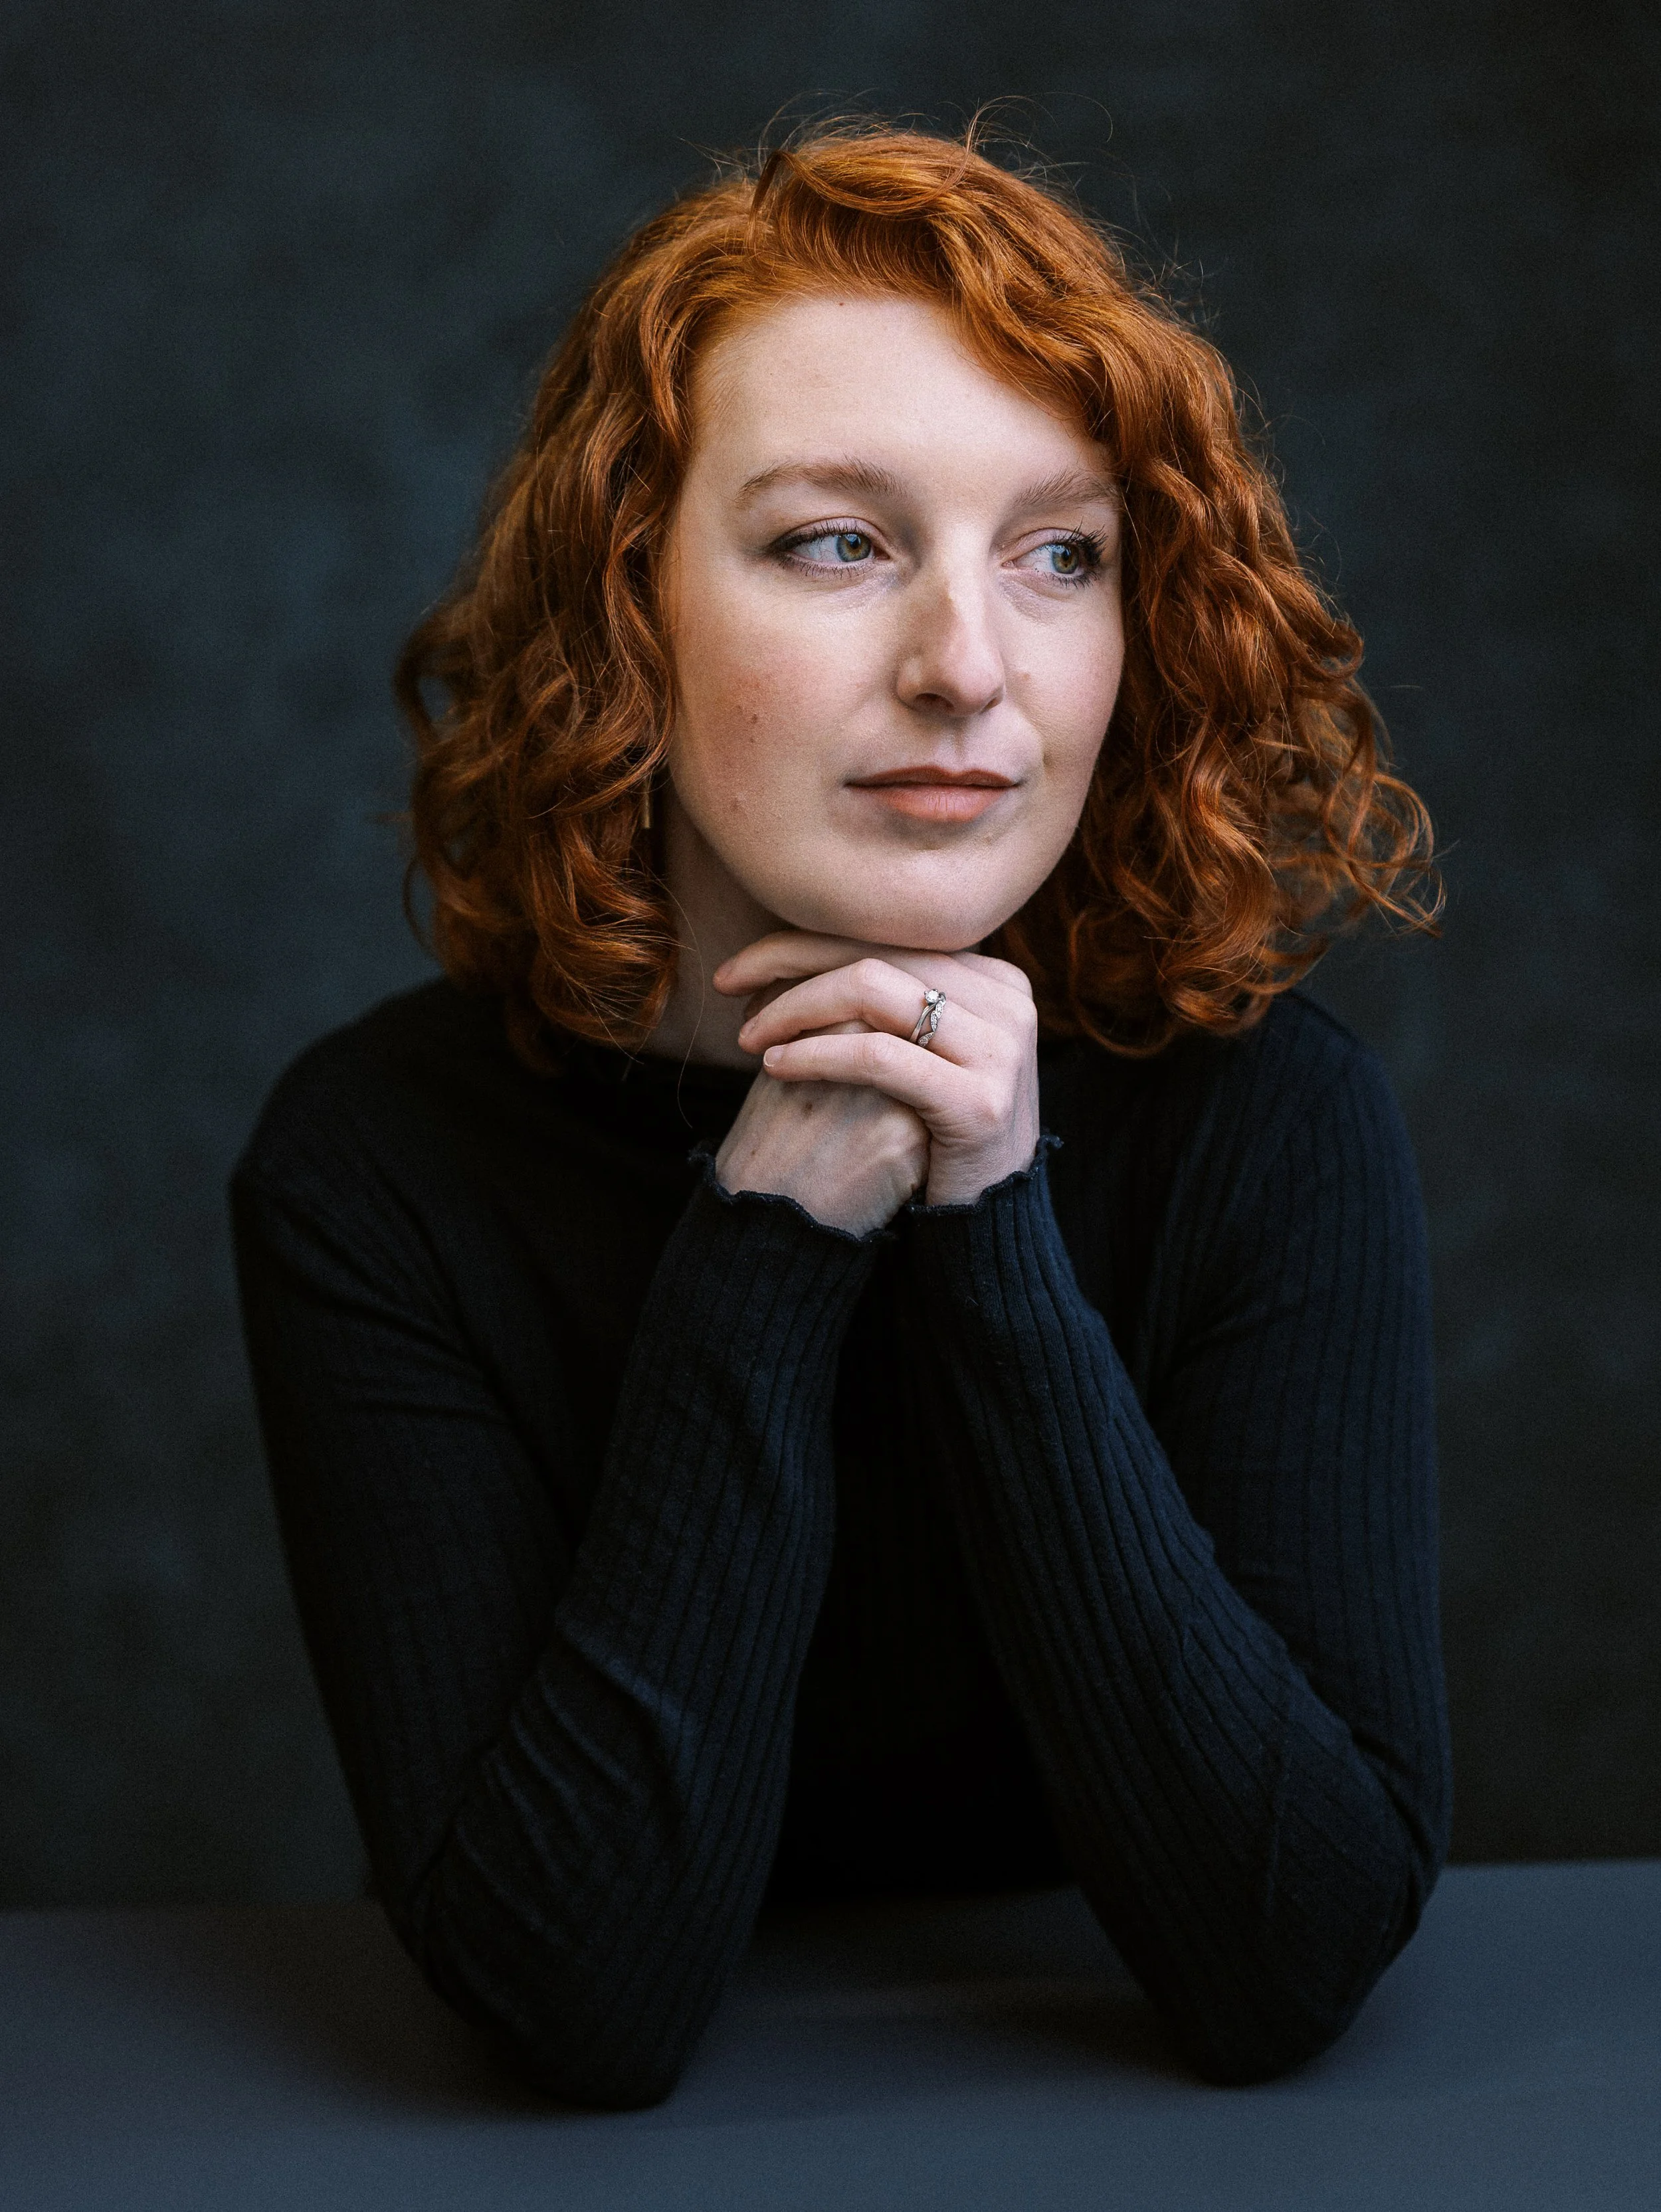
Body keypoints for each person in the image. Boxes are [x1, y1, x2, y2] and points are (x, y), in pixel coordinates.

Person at [231, 124, 1450, 2109]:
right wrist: (768, 1236)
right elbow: (573, 2006)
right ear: (628, 604)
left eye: (1059, 555)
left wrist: (984, 1215)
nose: (968, 668)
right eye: (834, 542)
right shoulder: (381, 1169)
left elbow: (1285, 1965)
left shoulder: (1267, 1127)